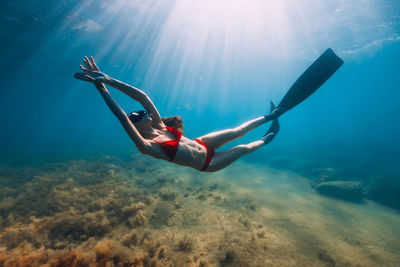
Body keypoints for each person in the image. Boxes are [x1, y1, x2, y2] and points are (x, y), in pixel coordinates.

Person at [74, 56, 280, 172]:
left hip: (202, 144)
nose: (141, 113)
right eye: (135, 117)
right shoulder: (147, 146)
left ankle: (270, 116)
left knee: (239, 130)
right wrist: (101, 89)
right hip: (208, 164)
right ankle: (269, 136)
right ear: (134, 127)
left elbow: (143, 98)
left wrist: (108, 79)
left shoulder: (160, 126)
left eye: (140, 113)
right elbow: (120, 115)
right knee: (243, 148)